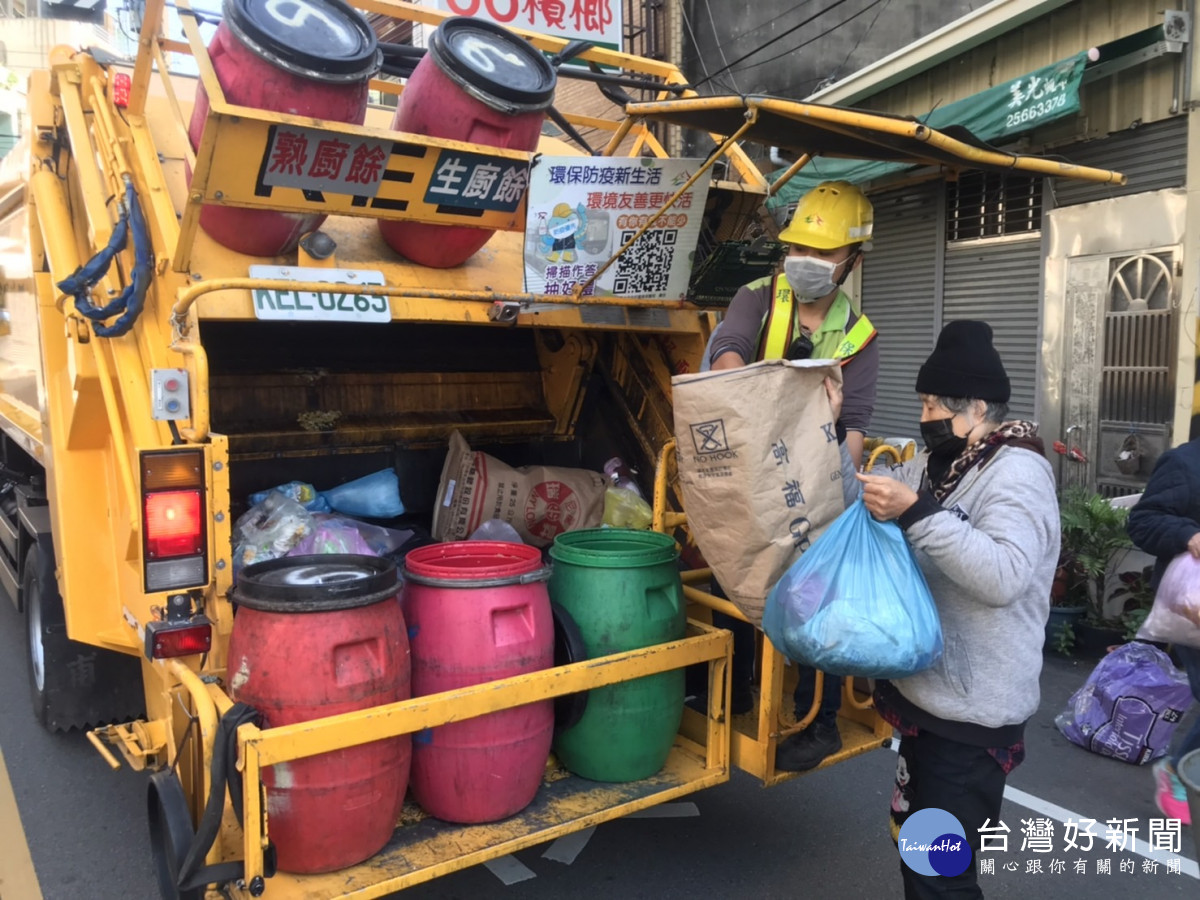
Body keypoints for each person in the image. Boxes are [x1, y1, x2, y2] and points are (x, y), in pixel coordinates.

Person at [840, 320, 1057, 899]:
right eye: (923, 401)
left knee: (940, 875)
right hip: (930, 706)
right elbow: (857, 490)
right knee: (917, 852)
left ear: (977, 407)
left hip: (973, 718)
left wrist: (916, 514)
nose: (926, 414)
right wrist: (831, 424)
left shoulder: (1017, 471)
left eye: (936, 403)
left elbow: (1005, 574)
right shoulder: (938, 465)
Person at [697, 180, 880, 772]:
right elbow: (726, 350)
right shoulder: (757, 298)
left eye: (825, 254)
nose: (809, 263)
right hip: (748, 466)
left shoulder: (859, 336)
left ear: (851, 260)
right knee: (743, 579)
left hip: (815, 473)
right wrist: (749, 383)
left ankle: (817, 719)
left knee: (818, 592)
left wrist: (838, 494)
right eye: (801, 248)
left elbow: (852, 431)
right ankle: (744, 691)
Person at [1126, 441, 1200, 826]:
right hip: (1195, 605)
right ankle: (1177, 772)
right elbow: (1142, 522)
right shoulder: (1185, 463)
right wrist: (1190, 535)